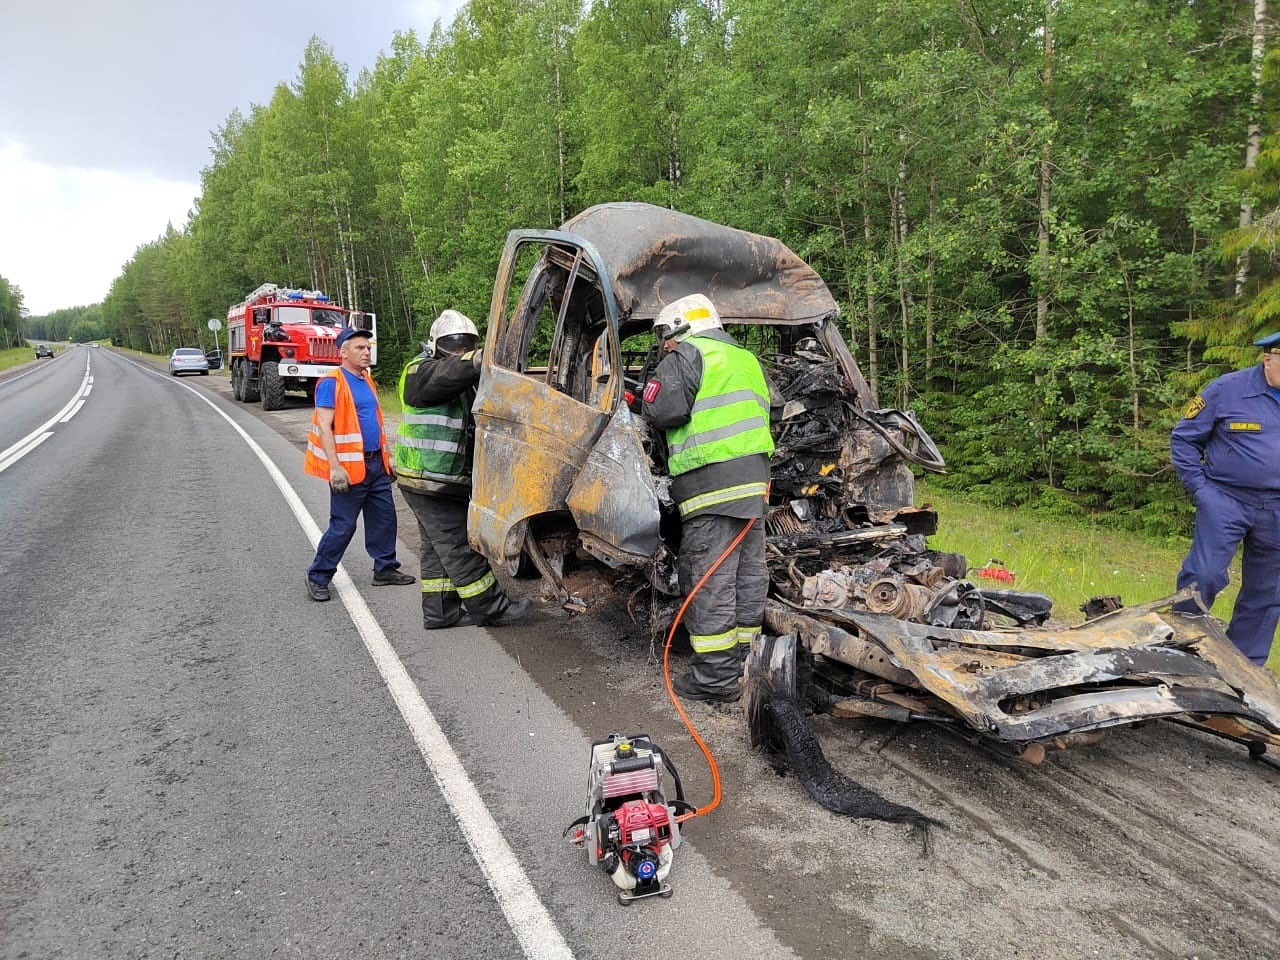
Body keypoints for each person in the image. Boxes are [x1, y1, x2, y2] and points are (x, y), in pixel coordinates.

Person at [641, 293, 775, 702]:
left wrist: (644, 392)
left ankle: (715, 680)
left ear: (681, 327)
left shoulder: (686, 356)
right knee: (747, 575)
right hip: (754, 485)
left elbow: (661, 412)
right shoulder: (745, 358)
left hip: (710, 487)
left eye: (665, 334)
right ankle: (747, 665)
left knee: (709, 579)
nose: (664, 344)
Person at [394, 310, 532, 629]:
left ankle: (440, 611)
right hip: (429, 479)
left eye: (467, 344)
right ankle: (491, 608)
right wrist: (479, 358)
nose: (460, 350)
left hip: (435, 480)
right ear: (434, 344)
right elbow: (448, 373)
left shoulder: (462, 377)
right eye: (454, 344)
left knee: (435, 546)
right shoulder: (420, 371)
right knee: (458, 546)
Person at [1171, 330, 1280, 665]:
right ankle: (1180, 647)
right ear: (1268, 358)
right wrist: (1202, 491)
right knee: (1204, 574)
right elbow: (1184, 440)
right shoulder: (1226, 390)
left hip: (1277, 509)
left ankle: (1243, 667)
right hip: (1226, 498)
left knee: (1268, 591)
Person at [304, 326, 416, 601]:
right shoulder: (332, 382)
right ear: (343, 352)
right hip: (349, 469)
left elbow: (375, 423)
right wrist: (334, 467)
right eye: (360, 348)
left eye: (368, 347)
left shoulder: (367, 380)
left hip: (376, 465)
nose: (367, 352)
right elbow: (324, 427)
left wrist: (386, 461)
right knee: (343, 525)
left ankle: (385, 568)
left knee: (385, 518)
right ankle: (318, 576)